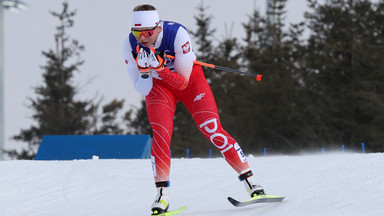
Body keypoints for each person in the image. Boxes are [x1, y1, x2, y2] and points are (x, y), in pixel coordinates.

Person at [122, 4, 265, 215]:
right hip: (158, 86)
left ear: (158, 28)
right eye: (137, 32)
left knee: (211, 128)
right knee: (161, 133)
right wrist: (144, 72)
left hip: (188, 81)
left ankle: (252, 184)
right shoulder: (129, 44)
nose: (142, 38)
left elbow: (181, 83)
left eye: (148, 32)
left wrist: (160, 68)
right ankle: (162, 196)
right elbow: (142, 88)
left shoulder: (177, 34)